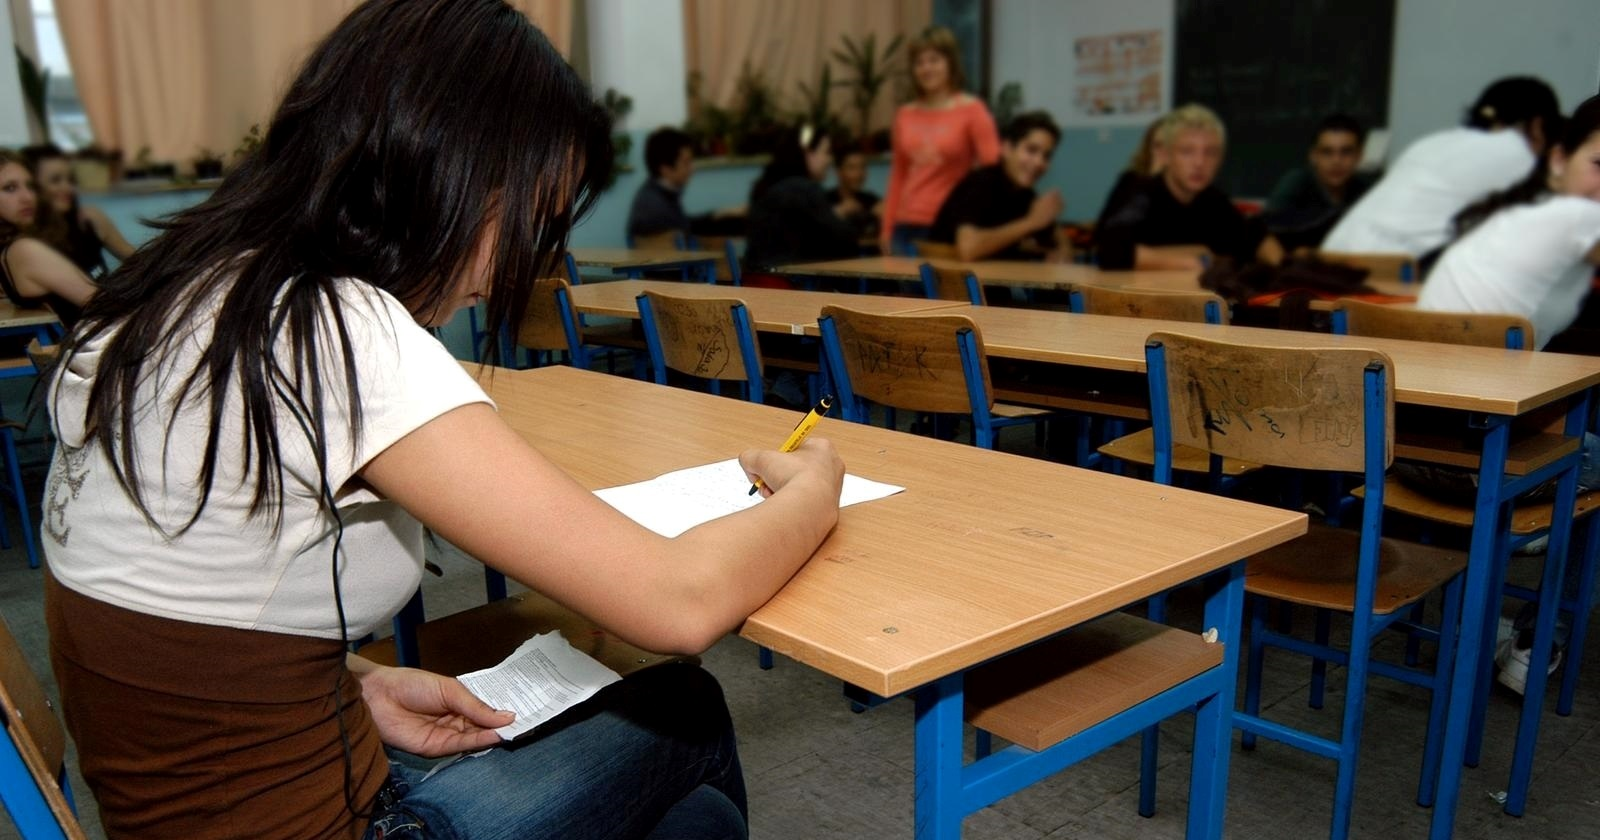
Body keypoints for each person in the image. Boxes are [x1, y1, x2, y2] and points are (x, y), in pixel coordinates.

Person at [42, 3, 845, 839]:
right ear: (448, 172)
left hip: (193, 805)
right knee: (684, 703)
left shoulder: (179, 293)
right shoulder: (334, 329)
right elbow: (680, 603)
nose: (516, 264)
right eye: (528, 218)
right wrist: (816, 486)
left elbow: (172, 614)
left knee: (698, 822)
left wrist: (353, 684)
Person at [1323, 76, 1561, 262]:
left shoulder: (1432, 142)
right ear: (1539, 126)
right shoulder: (1518, 153)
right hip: (1383, 281)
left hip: (1329, 263)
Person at [1095, 104, 1280, 271]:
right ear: (1164, 154)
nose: (1199, 163)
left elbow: (1253, 237)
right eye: (1187, 151)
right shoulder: (1139, 189)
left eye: (1211, 153)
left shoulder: (1214, 200)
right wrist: (1194, 261)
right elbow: (1111, 251)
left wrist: (1279, 264)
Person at [880, 26, 1000, 256]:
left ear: (950, 63)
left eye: (934, 60)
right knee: (898, 293)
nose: (926, 68)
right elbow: (898, 174)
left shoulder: (972, 111)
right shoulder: (904, 115)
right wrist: (886, 228)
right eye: (919, 62)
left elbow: (992, 174)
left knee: (937, 293)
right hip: (904, 226)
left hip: (947, 226)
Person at [929, 111, 1066, 262]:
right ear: (1007, 149)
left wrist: (1059, 242)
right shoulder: (980, 184)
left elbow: (1058, 242)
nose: (1039, 162)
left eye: (1046, 156)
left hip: (990, 280)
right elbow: (968, 249)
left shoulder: (1026, 195)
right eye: (1031, 150)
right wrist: (1031, 223)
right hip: (948, 282)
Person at [741, 126, 860, 281]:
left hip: (754, 282)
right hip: (789, 285)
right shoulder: (803, 189)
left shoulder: (766, 186)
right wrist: (839, 216)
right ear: (807, 153)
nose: (829, 160)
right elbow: (845, 238)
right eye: (826, 152)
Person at [0, 149, 97, 327]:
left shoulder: (12, 248)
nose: (27, 197)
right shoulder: (24, 249)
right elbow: (104, 303)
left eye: (30, 186)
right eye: (10, 188)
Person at [20, 143, 136, 276]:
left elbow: (138, 261)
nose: (68, 188)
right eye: (56, 180)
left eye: (70, 179)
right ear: (32, 187)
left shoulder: (89, 219)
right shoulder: (26, 246)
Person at [1262, 114, 1374, 251]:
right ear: (1313, 156)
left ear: (1359, 156)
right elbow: (1264, 228)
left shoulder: (1368, 193)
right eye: (1327, 152)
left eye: (1346, 152)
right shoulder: (1297, 183)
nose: (1336, 161)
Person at [624, 127, 740, 246]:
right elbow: (683, 233)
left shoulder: (652, 195)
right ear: (666, 169)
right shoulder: (654, 207)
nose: (692, 169)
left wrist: (717, 214)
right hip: (678, 262)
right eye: (686, 162)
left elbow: (683, 225)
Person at [1094, 114, 1167, 232]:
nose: (1164, 152)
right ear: (1148, 149)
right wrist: (1152, 182)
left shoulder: (1192, 185)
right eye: (1158, 145)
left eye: (1170, 145)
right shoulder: (1130, 180)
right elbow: (1107, 229)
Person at [825, 146, 882, 241]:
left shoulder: (872, 200)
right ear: (838, 172)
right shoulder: (825, 201)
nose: (859, 174)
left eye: (862, 167)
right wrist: (838, 213)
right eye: (852, 168)